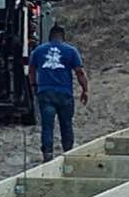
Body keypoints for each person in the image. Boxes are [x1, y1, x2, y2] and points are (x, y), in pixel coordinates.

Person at [29, 24, 89, 161]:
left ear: (49, 37)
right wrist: (85, 90)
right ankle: (68, 153)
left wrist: (33, 86)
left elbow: (31, 70)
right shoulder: (71, 51)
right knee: (66, 124)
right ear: (63, 37)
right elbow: (80, 72)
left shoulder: (38, 51)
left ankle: (48, 155)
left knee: (47, 126)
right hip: (64, 93)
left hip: (45, 93)